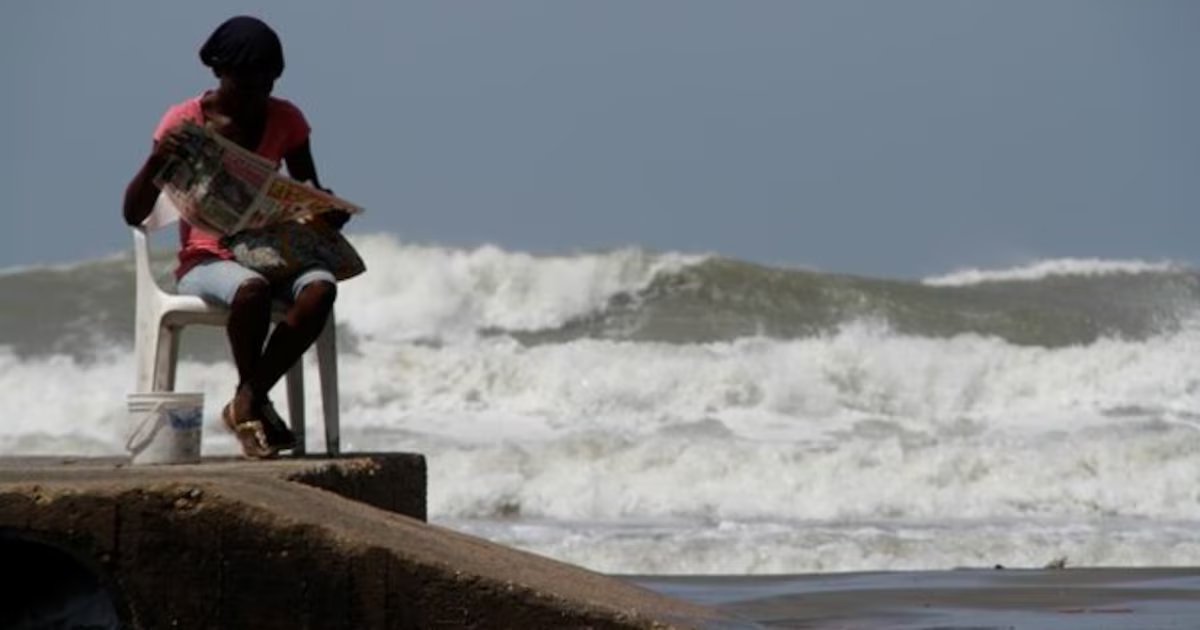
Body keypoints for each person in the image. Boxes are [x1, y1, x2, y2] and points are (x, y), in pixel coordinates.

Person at [123, 16, 349, 458]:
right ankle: (254, 406)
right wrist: (154, 165)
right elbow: (133, 213)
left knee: (321, 289)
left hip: (273, 251)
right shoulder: (184, 121)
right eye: (246, 84)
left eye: (266, 84)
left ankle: (247, 399)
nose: (256, 96)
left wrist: (328, 210)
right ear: (220, 74)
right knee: (251, 291)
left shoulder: (286, 120)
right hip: (207, 261)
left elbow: (309, 191)